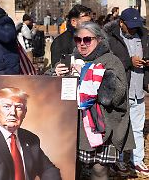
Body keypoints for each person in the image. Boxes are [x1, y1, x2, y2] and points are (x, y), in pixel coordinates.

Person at [55, 21, 135, 179]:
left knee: (99, 171)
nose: (82, 44)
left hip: (102, 127)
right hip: (73, 127)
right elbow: (53, 95)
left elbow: (116, 95)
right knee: (72, 169)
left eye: (87, 39)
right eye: (78, 40)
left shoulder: (110, 61)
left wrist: (87, 73)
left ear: (99, 39)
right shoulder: (71, 61)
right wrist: (55, 74)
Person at [105, 8, 149, 176]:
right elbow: (109, 62)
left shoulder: (144, 36)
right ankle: (119, 160)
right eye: (130, 26)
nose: (133, 29)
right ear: (121, 23)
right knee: (120, 129)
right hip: (120, 91)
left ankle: (137, 161)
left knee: (138, 128)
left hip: (138, 91)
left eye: (136, 26)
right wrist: (129, 62)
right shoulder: (111, 39)